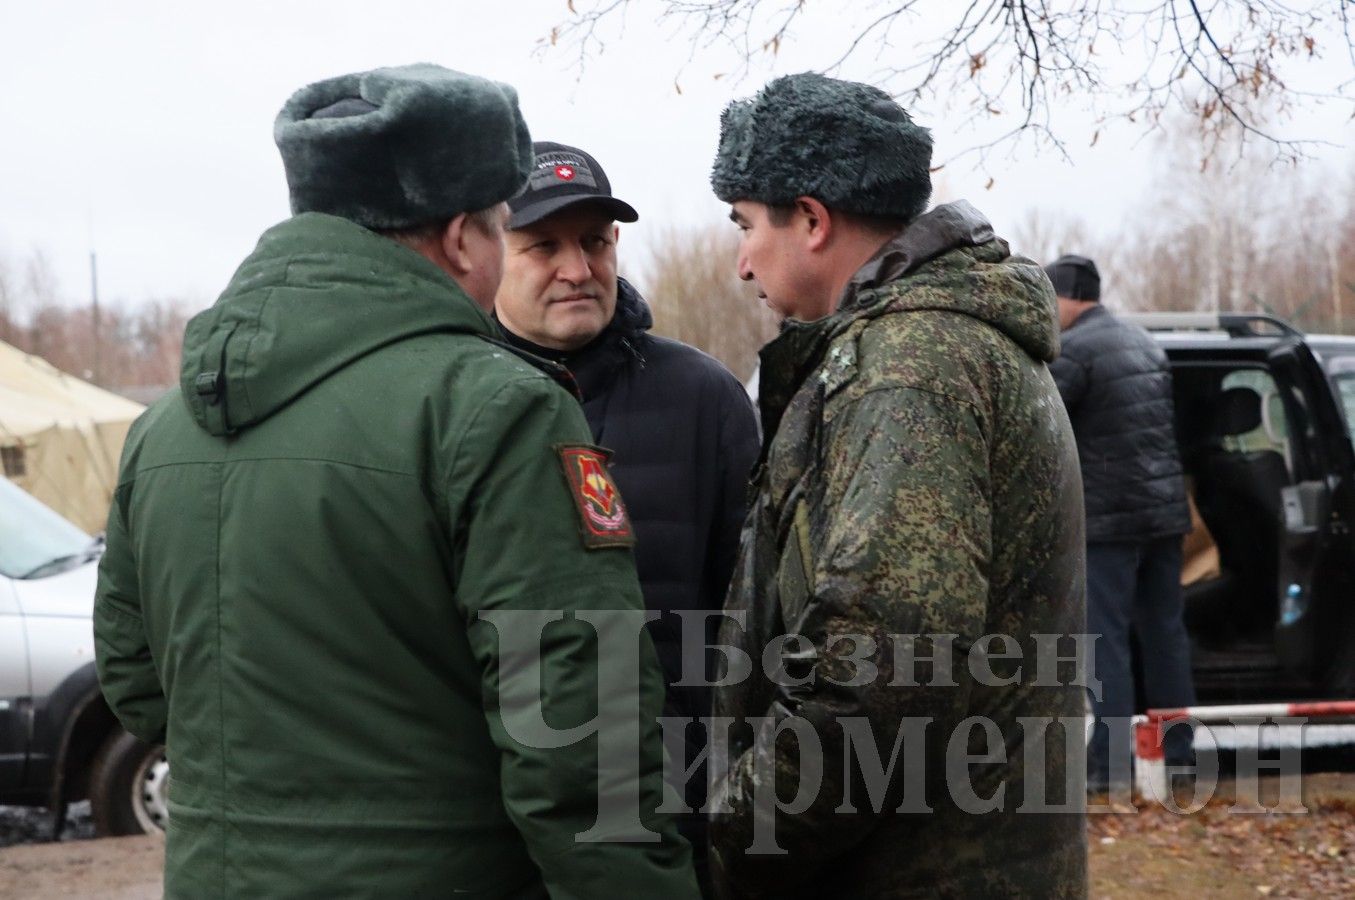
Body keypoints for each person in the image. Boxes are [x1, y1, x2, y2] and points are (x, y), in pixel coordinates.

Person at [93, 64, 698, 899]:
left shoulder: (166, 426)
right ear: (460, 239)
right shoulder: (493, 409)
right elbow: (576, 729)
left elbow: (133, 676)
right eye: (499, 228)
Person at [705, 73, 1088, 898]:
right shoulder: (938, 347)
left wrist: (732, 843)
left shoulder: (911, 368)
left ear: (810, 220)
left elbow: (878, 668)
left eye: (744, 225)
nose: (740, 262)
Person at [494, 141, 761, 893]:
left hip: (673, 811)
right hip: (497, 825)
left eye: (594, 242)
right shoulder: (445, 403)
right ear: (488, 254)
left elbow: (754, 617)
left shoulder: (703, 397)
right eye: (543, 245)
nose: (577, 269)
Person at [1045, 254, 1196, 793]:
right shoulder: (1144, 344)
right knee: (1165, 637)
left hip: (1109, 525)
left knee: (1104, 642)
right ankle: (1181, 758)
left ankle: (1108, 766)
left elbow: (1045, 428)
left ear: (1068, 299)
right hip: (1163, 519)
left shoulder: (1075, 353)